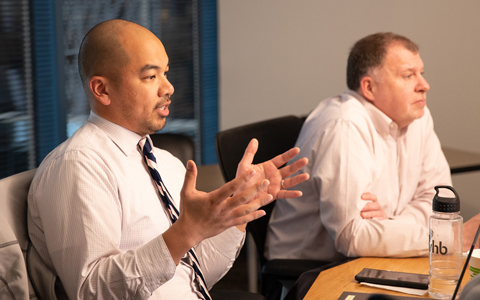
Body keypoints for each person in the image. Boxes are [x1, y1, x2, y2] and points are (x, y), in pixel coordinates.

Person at [27, 19, 309, 299]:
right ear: (102, 89)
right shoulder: (79, 166)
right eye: (151, 76)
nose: (169, 87)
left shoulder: (165, 163)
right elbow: (92, 292)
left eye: (166, 73)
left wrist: (239, 210)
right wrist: (183, 233)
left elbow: (198, 276)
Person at [266, 32, 460, 262]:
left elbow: (436, 202)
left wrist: (389, 225)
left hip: (374, 259)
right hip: (309, 273)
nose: (424, 86)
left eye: (422, 74)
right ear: (369, 87)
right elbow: (352, 236)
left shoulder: (418, 115)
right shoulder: (344, 126)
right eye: (408, 76)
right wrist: (449, 239)